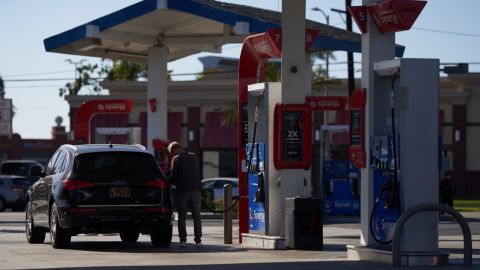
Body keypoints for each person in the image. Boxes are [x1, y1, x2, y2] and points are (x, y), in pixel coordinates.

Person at [167, 141, 203, 248]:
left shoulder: (176, 159)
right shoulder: (194, 157)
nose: (173, 155)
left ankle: (183, 240)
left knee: (182, 218)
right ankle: (198, 241)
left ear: (176, 149)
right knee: (197, 217)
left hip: (182, 192)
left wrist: (169, 180)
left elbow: (174, 177)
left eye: (173, 152)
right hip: (196, 191)